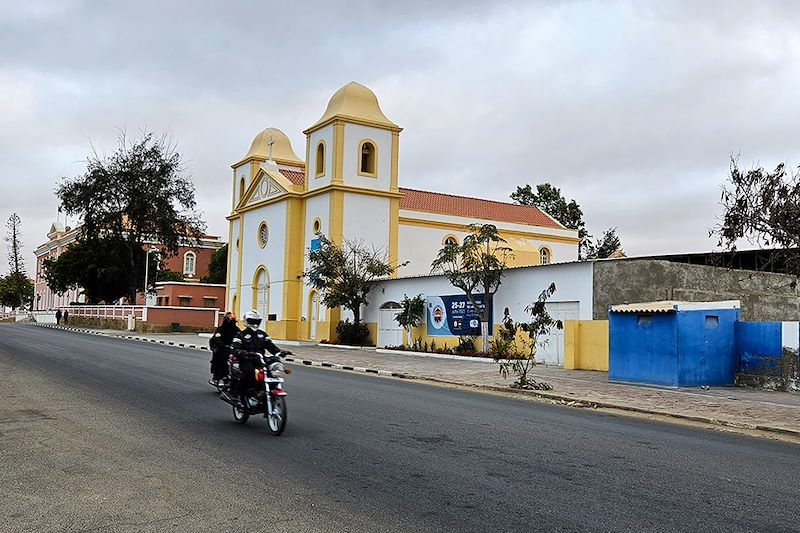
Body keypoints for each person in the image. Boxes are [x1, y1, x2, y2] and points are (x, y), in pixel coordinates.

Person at [230, 310, 291, 400]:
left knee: (274, 366)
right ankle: (239, 395)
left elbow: (271, 347)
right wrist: (240, 352)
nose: (255, 323)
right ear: (247, 321)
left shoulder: (262, 334)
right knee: (248, 372)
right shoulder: (240, 335)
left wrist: (281, 352)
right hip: (247, 359)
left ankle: (267, 390)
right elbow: (235, 348)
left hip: (260, 359)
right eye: (252, 321)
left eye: (257, 321)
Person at [208, 311, 240, 386]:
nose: (231, 322)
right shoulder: (221, 329)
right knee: (218, 355)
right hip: (222, 348)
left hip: (233, 349)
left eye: (233, 321)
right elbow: (217, 338)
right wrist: (223, 345)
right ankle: (217, 377)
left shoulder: (237, 330)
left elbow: (240, 337)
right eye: (229, 320)